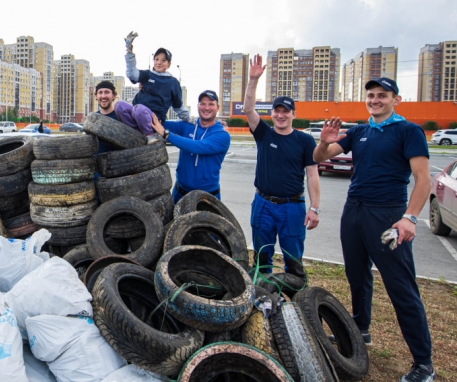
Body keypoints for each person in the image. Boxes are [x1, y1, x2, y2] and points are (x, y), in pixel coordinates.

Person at [313, 77, 435, 382]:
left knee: (401, 288)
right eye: (371, 95)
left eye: (383, 95)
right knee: (356, 274)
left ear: (396, 99)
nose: (375, 99)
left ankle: (424, 364)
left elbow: (423, 180)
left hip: (387, 217)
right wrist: (325, 140)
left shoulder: (408, 131)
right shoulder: (360, 131)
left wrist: (410, 218)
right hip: (353, 212)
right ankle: (360, 329)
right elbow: (319, 158)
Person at [243, 56, 320, 277]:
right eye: (277, 110)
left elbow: (313, 175)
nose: (280, 115)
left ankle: (296, 299)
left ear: (294, 114)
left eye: (286, 111)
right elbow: (248, 109)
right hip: (263, 204)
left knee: (293, 261)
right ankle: (263, 300)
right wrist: (253, 80)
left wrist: (314, 208)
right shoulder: (263, 134)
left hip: (292, 207)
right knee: (261, 259)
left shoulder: (305, 141)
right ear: (272, 113)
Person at [150, 90, 230, 203]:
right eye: (202, 103)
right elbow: (156, 122)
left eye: (211, 104)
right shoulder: (187, 125)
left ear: (218, 107)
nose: (206, 108)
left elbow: (197, 147)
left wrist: (166, 134)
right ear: (197, 106)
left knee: (206, 221)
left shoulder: (222, 135)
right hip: (180, 193)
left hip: (207, 197)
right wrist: (149, 93)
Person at [125, 31, 191, 143]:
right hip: (136, 114)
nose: (159, 62)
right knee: (120, 106)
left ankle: (151, 135)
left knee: (139, 109)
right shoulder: (148, 75)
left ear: (169, 64)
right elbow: (132, 74)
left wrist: (190, 120)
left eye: (163, 60)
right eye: (156, 59)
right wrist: (129, 51)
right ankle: (130, 131)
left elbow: (178, 106)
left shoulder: (172, 82)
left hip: (154, 120)